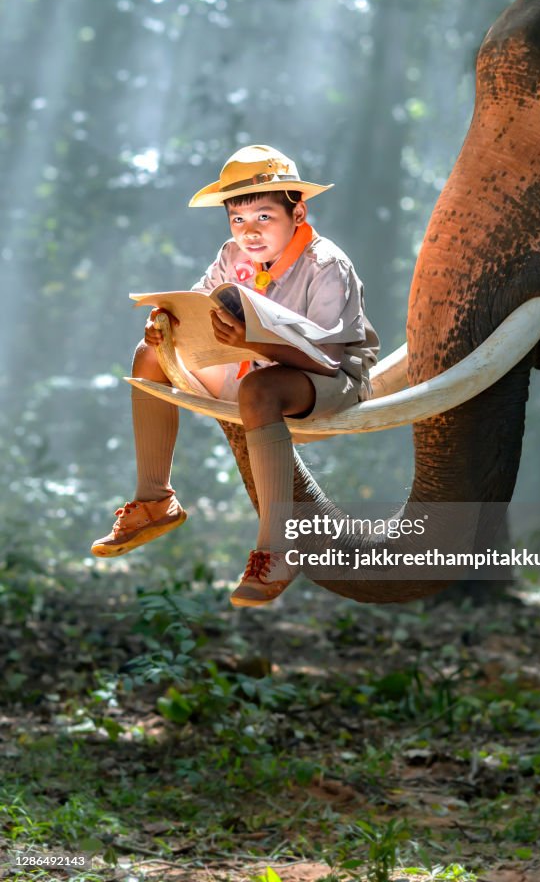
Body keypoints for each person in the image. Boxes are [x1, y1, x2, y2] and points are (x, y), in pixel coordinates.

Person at [91, 144, 380, 607]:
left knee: (259, 388)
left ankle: (278, 549)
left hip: (330, 376)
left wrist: (253, 342)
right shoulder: (233, 256)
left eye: (264, 217)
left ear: (297, 212)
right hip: (252, 364)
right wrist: (168, 323)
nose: (250, 233)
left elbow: (327, 356)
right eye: (238, 221)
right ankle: (154, 500)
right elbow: (201, 306)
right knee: (149, 353)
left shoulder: (327, 265)